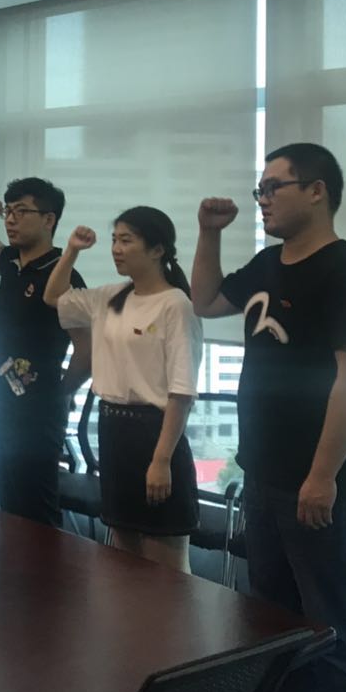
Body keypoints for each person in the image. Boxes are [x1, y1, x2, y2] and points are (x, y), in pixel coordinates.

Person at [191, 144, 346, 692]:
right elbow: (205, 302)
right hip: (267, 474)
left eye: (274, 187)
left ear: (317, 191)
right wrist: (208, 233)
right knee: (276, 619)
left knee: (335, 626)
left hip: (325, 483)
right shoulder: (268, 263)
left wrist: (323, 475)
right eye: (260, 189)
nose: (263, 199)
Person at [44, 206, 202, 572]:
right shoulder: (111, 296)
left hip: (155, 434)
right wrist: (72, 250)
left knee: (165, 566)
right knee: (122, 558)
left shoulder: (176, 304)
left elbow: (181, 391)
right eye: (114, 240)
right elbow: (54, 296)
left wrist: (161, 460)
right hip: (113, 430)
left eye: (126, 240)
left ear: (157, 249)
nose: (116, 249)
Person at [0, 177, 92, 526]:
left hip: (38, 412)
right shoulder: (11, 261)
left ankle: (46, 564)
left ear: (49, 219)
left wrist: (62, 391)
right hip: (0, 400)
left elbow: (87, 349)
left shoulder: (63, 275)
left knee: (36, 508)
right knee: (9, 502)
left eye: (21, 212)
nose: (10, 220)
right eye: (8, 211)